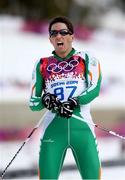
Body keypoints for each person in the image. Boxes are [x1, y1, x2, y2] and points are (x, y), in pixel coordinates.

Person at [29, 16, 102, 180]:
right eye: (53, 33)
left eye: (63, 32)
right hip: (53, 132)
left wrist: (75, 101)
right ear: (50, 39)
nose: (58, 36)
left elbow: (94, 89)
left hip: (83, 130)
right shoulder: (42, 64)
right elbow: (33, 103)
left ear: (72, 36)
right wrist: (46, 100)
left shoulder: (86, 58)